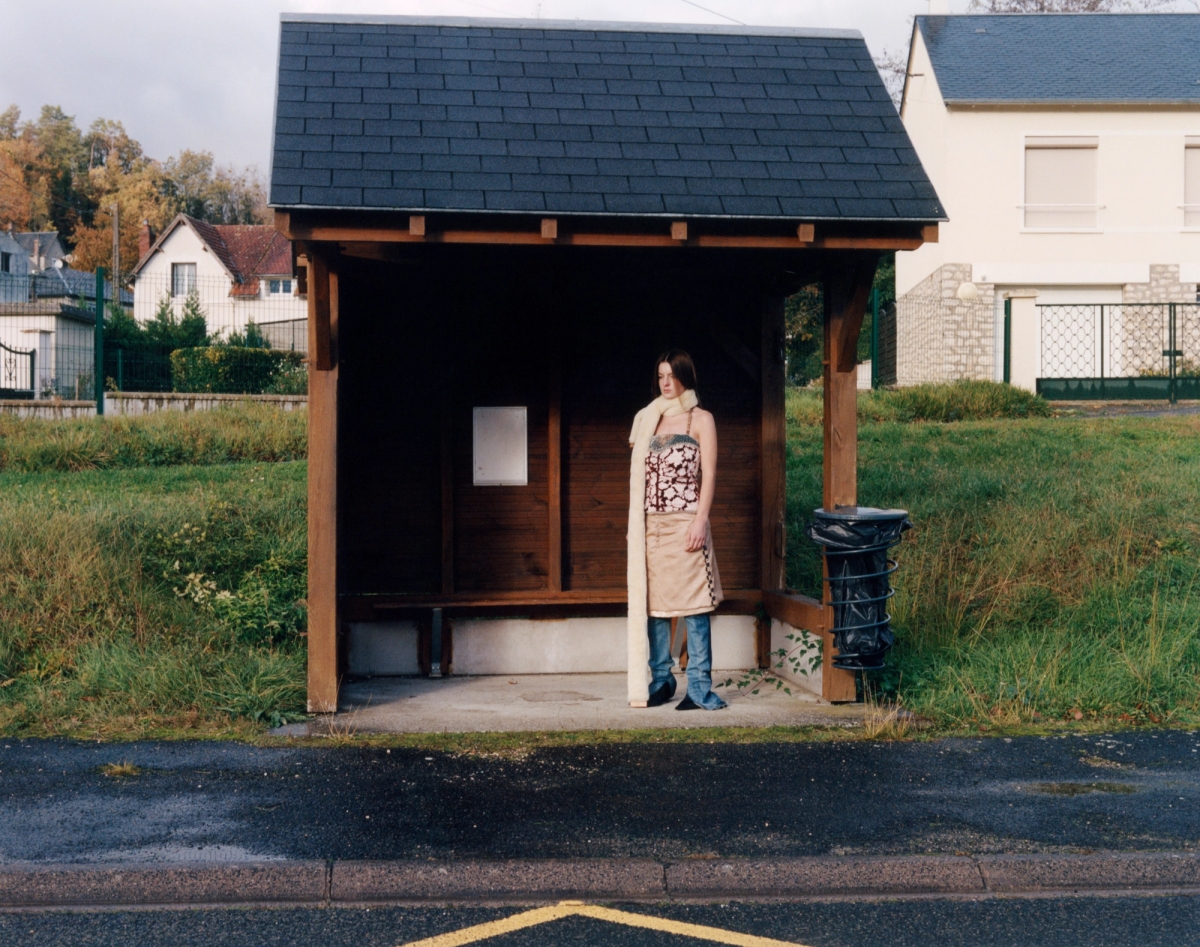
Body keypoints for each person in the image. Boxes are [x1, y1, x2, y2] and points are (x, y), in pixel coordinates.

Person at [626, 350, 726, 711]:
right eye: (660, 376)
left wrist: (700, 519)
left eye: (671, 376)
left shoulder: (700, 419)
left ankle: (698, 685)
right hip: (652, 526)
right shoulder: (649, 419)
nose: (665, 383)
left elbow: (709, 474)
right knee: (655, 607)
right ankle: (661, 679)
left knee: (694, 606)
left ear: (685, 376)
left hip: (686, 521)